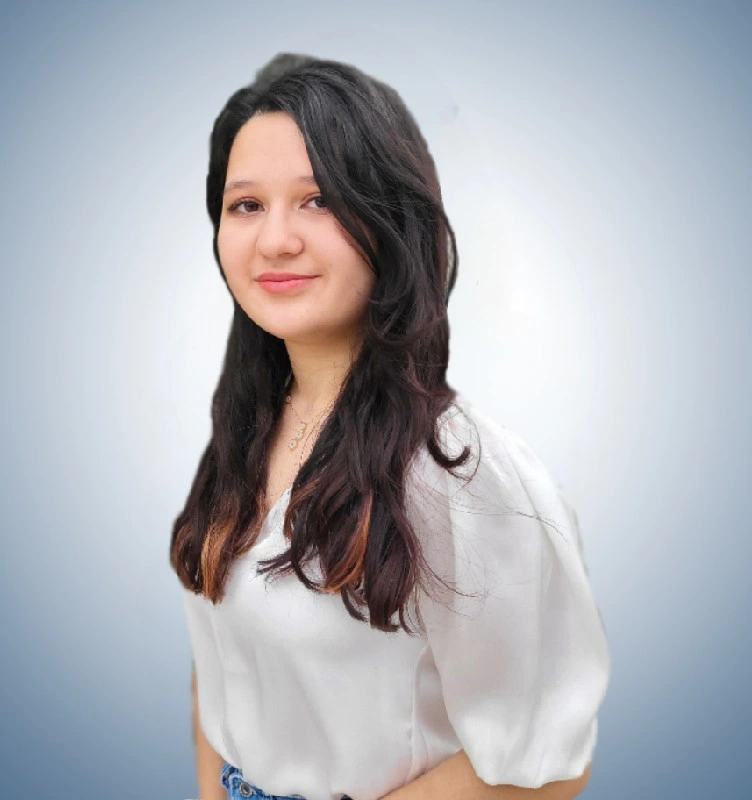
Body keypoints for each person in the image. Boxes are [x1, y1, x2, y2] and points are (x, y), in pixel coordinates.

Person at [170, 53, 610, 800]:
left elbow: (547, 767)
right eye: (246, 205)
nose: (274, 239)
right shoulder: (246, 437)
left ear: (388, 221)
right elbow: (218, 683)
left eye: (316, 201)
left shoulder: (463, 476)